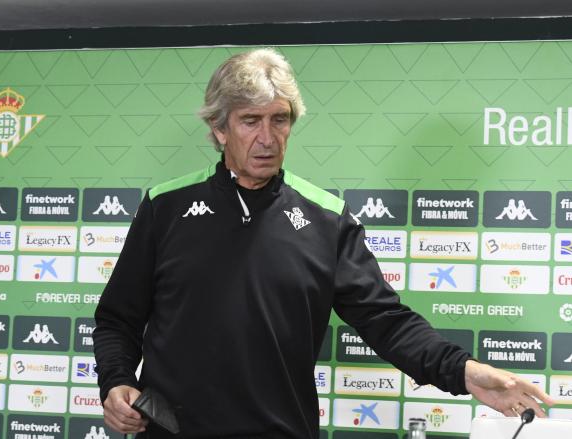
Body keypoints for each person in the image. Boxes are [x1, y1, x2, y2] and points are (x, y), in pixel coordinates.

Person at [93, 48, 554, 438]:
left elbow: (385, 320)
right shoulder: (165, 206)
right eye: (250, 121)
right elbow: (118, 318)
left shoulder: (326, 217)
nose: (268, 138)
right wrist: (115, 381)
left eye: (280, 120)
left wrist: (466, 372)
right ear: (219, 129)